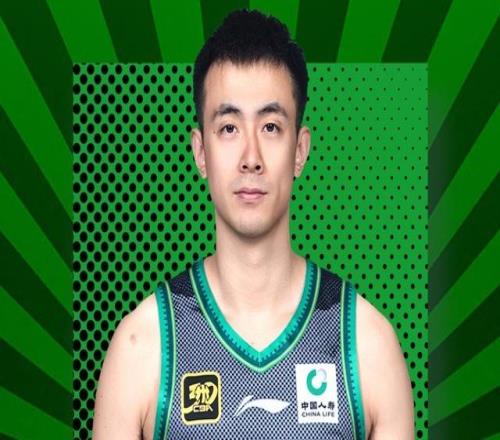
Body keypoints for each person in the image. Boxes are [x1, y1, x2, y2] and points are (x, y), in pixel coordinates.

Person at [92, 9, 414, 440]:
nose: (250, 157)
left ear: (299, 150)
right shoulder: (143, 347)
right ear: (200, 152)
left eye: (270, 126)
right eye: (228, 128)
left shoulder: (366, 346)